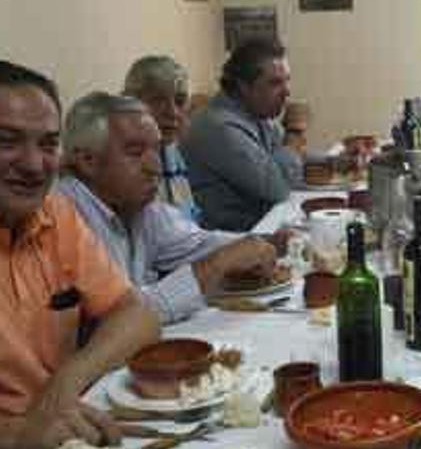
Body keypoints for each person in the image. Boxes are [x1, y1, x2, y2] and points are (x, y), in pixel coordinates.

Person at [0, 61, 160, 449]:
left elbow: (137, 314)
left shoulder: (55, 214)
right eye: (7, 141)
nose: (34, 165)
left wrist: (64, 385)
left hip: (67, 434)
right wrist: (16, 436)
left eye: (48, 144)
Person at [59, 91, 280, 325]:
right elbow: (121, 317)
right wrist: (218, 264)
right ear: (87, 161)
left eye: (156, 150)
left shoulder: (138, 206)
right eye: (135, 152)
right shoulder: (65, 214)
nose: (154, 167)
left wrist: (269, 242)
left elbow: (197, 243)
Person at [181, 38, 302, 231]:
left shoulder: (256, 113)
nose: (287, 92)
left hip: (262, 227)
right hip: (232, 240)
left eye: (287, 81)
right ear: (243, 87)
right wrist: (295, 130)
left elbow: (285, 159)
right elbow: (279, 187)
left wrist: (335, 160)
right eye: (275, 83)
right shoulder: (220, 127)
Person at [123, 55, 199, 221]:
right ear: (130, 103)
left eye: (180, 101)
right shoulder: (123, 163)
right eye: (158, 100)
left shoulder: (171, 150)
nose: (172, 112)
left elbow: (190, 222)